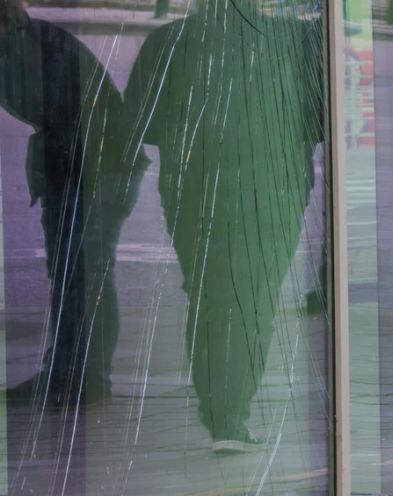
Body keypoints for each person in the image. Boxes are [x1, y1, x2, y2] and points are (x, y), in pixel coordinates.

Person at [124, 0, 325, 453]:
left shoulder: (170, 42)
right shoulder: (290, 42)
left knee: (210, 295)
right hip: (272, 190)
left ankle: (222, 410)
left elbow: (144, 123)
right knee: (253, 298)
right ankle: (230, 410)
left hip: (198, 191)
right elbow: (318, 120)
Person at [0, 0, 146, 407]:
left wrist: (57, 188)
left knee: (82, 273)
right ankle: (70, 373)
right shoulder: (20, 46)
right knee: (74, 273)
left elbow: (70, 121)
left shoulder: (34, 49)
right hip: (86, 166)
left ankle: (82, 377)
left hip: (99, 168)